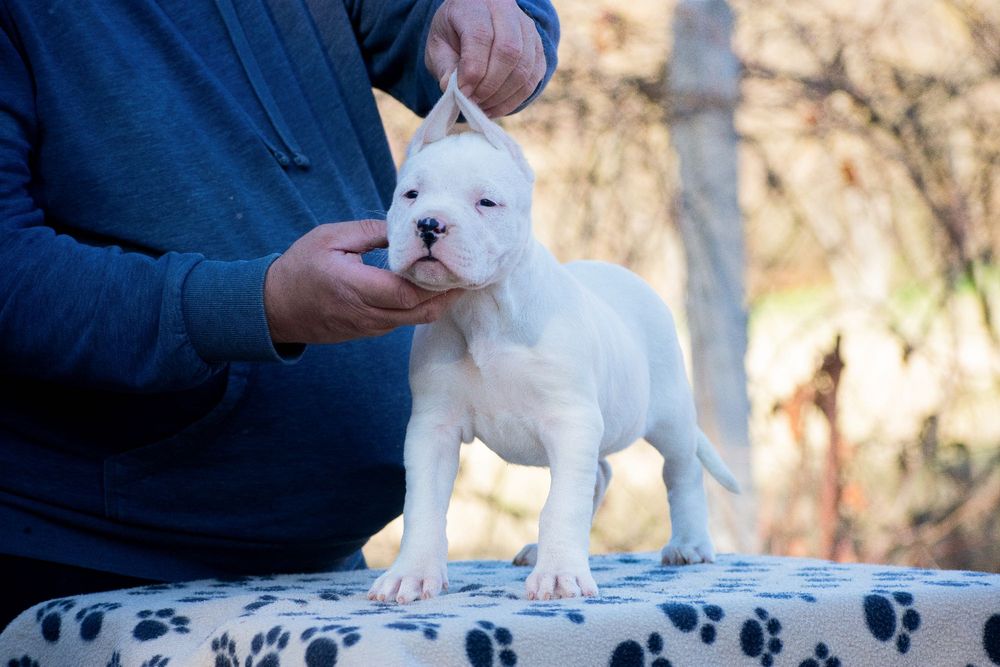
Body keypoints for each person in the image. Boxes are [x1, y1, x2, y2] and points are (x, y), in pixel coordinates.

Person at [0, 0, 559, 629]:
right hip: (92, 575)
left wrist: (484, 18)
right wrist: (255, 306)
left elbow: (411, 15)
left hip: (326, 571)